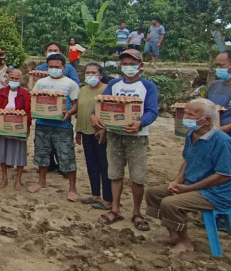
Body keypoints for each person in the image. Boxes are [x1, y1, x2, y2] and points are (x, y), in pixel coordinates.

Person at [145, 99, 231, 255]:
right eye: (184, 113)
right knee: (153, 193)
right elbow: (187, 159)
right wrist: (177, 180)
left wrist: (188, 188)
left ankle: (185, 242)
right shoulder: (191, 134)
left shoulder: (222, 141)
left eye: (190, 114)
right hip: (191, 183)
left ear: (206, 120)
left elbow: (223, 176)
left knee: (170, 203)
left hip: (216, 192)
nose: (184, 117)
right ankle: (174, 235)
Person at [94, 49, 159, 231]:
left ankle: (137, 213)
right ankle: (115, 209)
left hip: (137, 137)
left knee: (138, 177)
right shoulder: (114, 84)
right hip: (114, 135)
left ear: (140, 65)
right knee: (115, 174)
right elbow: (102, 104)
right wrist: (95, 117)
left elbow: (152, 111)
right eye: (124, 63)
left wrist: (140, 123)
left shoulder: (148, 86)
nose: (128, 66)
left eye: (132, 63)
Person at [28, 54, 81, 199]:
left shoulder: (71, 84)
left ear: (63, 67)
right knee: (42, 153)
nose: (54, 69)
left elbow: (76, 104)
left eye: (57, 67)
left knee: (67, 155)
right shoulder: (40, 83)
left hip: (62, 126)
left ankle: (72, 188)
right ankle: (41, 182)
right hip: (42, 124)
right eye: (51, 67)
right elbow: (35, 100)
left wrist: (69, 113)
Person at [75, 62, 111, 211]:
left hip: (100, 133)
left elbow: (108, 111)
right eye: (87, 73)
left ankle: (107, 197)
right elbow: (80, 111)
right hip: (85, 132)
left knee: (104, 165)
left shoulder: (106, 89)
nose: (90, 75)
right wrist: (78, 131)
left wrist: (105, 129)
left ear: (100, 75)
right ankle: (95, 194)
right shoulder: (82, 90)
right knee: (91, 165)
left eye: (93, 73)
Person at [0, 68, 31, 190]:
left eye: (16, 79)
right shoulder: (1, 92)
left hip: (18, 127)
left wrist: (27, 127)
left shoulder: (25, 93)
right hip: (4, 126)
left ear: (20, 79)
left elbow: (28, 111)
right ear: (7, 78)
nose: (13, 80)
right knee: (2, 152)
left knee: (19, 153)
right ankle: (4, 178)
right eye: (12, 78)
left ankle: (18, 180)